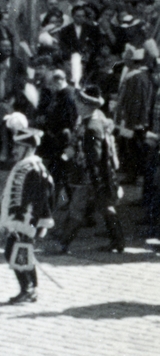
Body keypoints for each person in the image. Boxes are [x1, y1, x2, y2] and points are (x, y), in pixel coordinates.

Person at [54, 85, 125, 253]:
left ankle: (63, 244)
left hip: (90, 176)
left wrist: (94, 181)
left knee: (77, 210)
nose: (76, 104)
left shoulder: (92, 126)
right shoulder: (95, 118)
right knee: (106, 208)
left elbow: (94, 157)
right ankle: (118, 242)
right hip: (99, 175)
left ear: (86, 105)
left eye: (79, 102)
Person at [0, 116, 55, 304]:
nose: (14, 151)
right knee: (21, 253)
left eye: (18, 147)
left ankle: (28, 288)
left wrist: (31, 224)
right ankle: (31, 288)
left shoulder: (33, 169)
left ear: (28, 148)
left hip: (26, 222)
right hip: (21, 221)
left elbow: (41, 200)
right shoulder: (24, 167)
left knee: (15, 253)